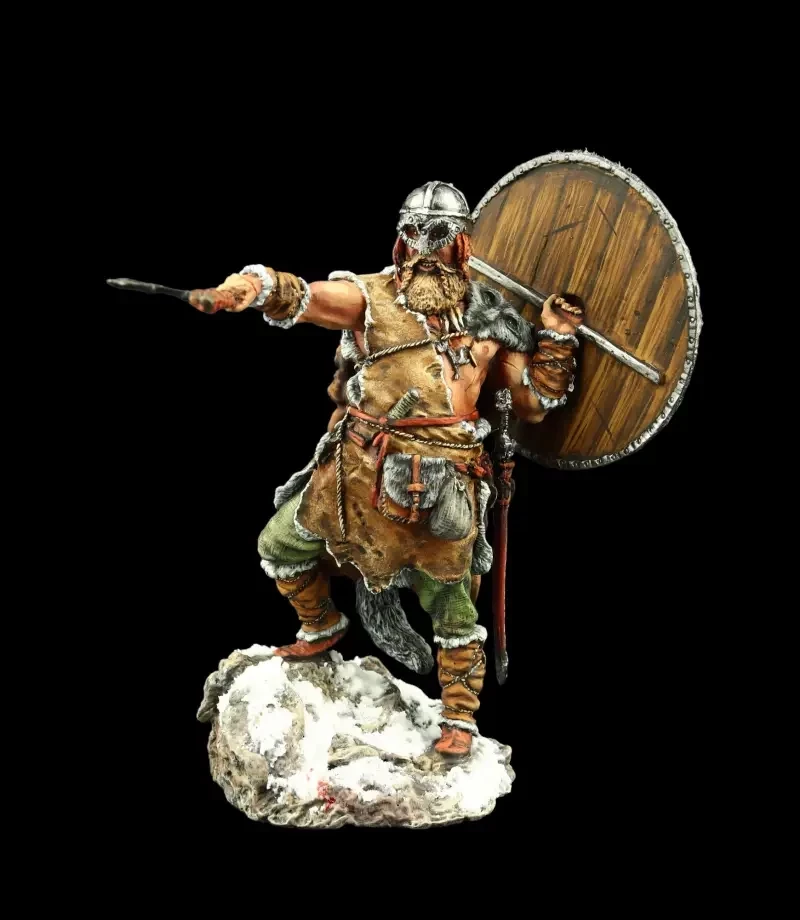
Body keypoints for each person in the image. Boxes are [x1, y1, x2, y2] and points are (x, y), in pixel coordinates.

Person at [188, 181, 584, 755]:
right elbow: (305, 297)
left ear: (461, 243)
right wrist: (250, 288)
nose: (424, 247)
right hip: (356, 471)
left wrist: (556, 338)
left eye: (438, 234)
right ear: (400, 240)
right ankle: (321, 624)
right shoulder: (370, 298)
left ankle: (459, 715)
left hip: (444, 482)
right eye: (413, 233)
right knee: (280, 546)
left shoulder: (491, 317)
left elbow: (532, 404)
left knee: (452, 606)